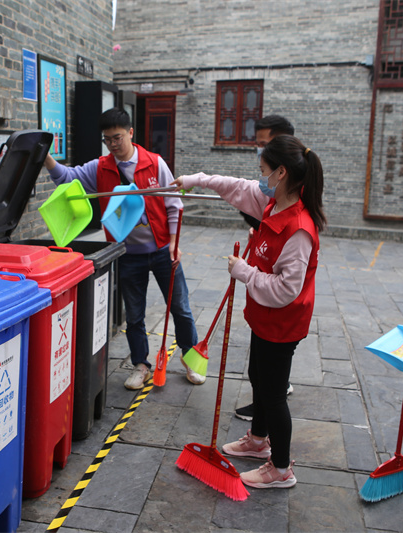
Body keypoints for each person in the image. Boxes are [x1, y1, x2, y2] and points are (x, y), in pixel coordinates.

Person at [173, 135, 326, 489]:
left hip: (283, 323)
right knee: (258, 378)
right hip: (264, 318)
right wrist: (197, 179)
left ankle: (282, 468)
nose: (259, 179)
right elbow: (238, 188)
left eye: (264, 171)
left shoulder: (298, 229)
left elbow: (287, 290)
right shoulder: (275, 203)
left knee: (273, 395)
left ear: (282, 173)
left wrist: (244, 271)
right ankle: (257, 441)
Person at [43, 108, 200, 389]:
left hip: (163, 250)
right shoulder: (101, 167)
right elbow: (67, 178)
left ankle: (192, 359)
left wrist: (175, 244)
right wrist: (45, 156)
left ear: (130, 133)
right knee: (135, 313)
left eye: (117, 138)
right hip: (128, 255)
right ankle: (141, 365)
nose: (113, 145)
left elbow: (174, 204)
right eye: (107, 140)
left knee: (181, 308)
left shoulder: (154, 163)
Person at [236, 114, 296, 423]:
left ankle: (276, 454)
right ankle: (260, 429)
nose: (258, 151)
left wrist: (245, 271)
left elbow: (289, 284)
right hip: (266, 301)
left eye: (263, 144)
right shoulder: (278, 186)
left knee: (270, 378)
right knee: (260, 368)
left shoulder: (295, 204)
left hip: (280, 310)